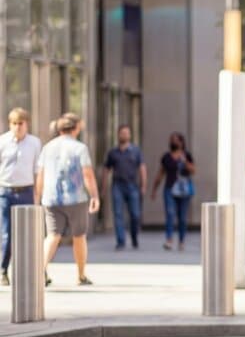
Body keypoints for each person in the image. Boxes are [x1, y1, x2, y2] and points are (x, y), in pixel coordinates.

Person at [37, 114, 99, 286]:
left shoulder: (47, 147)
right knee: (79, 236)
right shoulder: (80, 148)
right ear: (75, 128)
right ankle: (80, 275)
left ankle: (40, 269)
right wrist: (94, 195)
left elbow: (40, 175)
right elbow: (87, 174)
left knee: (52, 235)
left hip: (51, 198)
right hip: (76, 198)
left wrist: (38, 196)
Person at [0, 108, 41, 285]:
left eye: (21, 123)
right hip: (6, 191)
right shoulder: (2, 142)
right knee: (7, 233)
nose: (18, 127)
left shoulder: (34, 143)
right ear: (10, 124)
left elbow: (38, 171)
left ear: (27, 124)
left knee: (29, 233)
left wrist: (37, 195)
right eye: (15, 124)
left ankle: (32, 271)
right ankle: (3, 270)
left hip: (26, 191)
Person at [103, 125, 147, 251]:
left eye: (126, 133)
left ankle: (134, 237)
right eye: (122, 133)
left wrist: (143, 185)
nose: (124, 135)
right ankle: (120, 241)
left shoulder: (136, 151)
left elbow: (142, 168)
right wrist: (103, 188)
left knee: (135, 214)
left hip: (133, 186)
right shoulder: (113, 152)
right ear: (118, 135)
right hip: (117, 186)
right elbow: (106, 170)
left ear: (130, 135)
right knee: (118, 214)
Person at [151, 132, 196, 251]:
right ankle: (169, 240)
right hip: (169, 189)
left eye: (176, 140)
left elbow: (193, 170)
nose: (173, 142)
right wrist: (154, 189)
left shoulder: (187, 155)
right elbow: (160, 173)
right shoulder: (166, 157)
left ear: (181, 142)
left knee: (182, 217)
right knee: (170, 214)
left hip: (184, 190)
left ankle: (181, 241)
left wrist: (184, 161)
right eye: (171, 140)